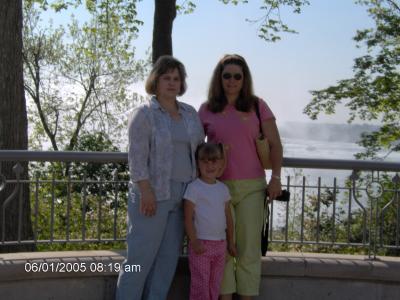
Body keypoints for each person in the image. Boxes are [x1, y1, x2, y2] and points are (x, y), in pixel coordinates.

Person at [116, 55, 205, 300]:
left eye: (177, 78)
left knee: (167, 261)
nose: (172, 83)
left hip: (184, 195)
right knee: (139, 259)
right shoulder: (144, 114)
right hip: (153, 195)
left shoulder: (190, 114)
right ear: (155, 81)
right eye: (166, 78)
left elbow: (199, 151)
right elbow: (136, 157)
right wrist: (145, 191)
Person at [199, 54, 283, 300]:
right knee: (222, 248)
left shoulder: (258, 105)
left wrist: (275, 178)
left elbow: (276, 145)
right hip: (217, 189)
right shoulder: (207, 109)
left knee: (248, 250)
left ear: (244, 79)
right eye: (227, 76)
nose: (232, 80)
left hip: (252, 189)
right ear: (219, 78)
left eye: (237, 76)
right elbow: (195, 149)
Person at [184, 142, 237, 300]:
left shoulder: (223, 189)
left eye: (214, 160)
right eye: (204, 161)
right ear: (198, 163)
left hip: (220, 246)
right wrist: (194, 242)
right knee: (201, 287)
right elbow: (187, 219)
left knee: (215, 285)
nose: (209, 165)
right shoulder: (194, 188)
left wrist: (230, 243)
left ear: (221, 163)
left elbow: (228, 218)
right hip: (201, 246)